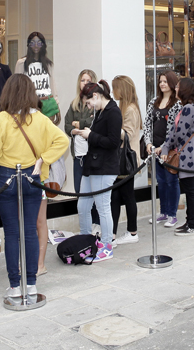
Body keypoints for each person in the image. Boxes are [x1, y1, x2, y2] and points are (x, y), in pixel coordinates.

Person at [0, 74, 68, 301]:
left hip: (7, 176)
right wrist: (44, 158)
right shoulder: (42, 119)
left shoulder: (3, 118)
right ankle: (31, 284)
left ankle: (15, 285)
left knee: (12, 233)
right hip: (33, 177)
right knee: (30, 232)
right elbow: (62, 141)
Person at [71, 80, 121, 260]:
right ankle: (86, 240)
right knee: (83, 205)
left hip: (105, 167)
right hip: (91, 165)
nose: (88, 106)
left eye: (88, 102)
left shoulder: (113, 112)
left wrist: (90, 135)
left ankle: (107, 245)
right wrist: (88, 134)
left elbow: (114, 142)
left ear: (96, 96)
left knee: (103, 207)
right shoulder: (100, 112)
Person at [157, 78, 194, 235]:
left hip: (188, 154)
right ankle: (190, 221)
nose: (175, 89)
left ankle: (193, 224)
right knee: (189, 188)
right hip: (189, 153)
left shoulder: (189, 108)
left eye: (178, 87)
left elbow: (178, 133)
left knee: (190, 189)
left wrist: (165, 148)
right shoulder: (188, 107)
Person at [144, 71, 181, 228]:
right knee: (161, 181)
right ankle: (163, 212)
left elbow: (175, 129)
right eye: (160, 81)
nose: (162, 84)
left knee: (171, 181)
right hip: (154, 149)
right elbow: (147, 123)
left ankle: (172, 214)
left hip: (169, 150)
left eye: (165, 81)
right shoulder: (154, 101)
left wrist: (164, 147)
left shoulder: (177, 104)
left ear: (172, 83)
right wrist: (148, 143)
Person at [65, 69, 98, 230]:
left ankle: (96, 223)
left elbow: (91, 122)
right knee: (80, 190)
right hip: (77, 154)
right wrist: (75, 128)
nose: (85, 83)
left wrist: (78, 124)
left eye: (88, 80)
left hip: (91, 154)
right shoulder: (74, 103)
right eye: (82, 80)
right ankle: (85, 225)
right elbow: (66, 125)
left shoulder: (96, 103)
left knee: (94, 190)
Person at [111, 75, 142, 245]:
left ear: (121, 90)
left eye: (115, 87)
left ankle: (132, 232)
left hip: (127, 160)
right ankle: (113, 234)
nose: (113, 91)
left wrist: (112, 128)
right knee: (116, 196)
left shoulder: (129, 109)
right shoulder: (125, 107)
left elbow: (128, 135)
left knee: (126, 195)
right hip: (123, 159)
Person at [15, 32, 60, 124]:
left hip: (47, 102)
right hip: (30, 103)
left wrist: (56, 103)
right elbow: (17, 85)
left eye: (39, 43)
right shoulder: (22, 63)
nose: (36, 46)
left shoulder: (48, 64)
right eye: (32, 42)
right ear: (28, 45)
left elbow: (52, 84)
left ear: (43, 45)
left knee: (47, 132)